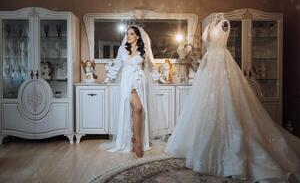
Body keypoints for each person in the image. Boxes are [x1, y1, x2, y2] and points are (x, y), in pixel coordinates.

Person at [165, 13, 300, 182]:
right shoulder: (210, 24)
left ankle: (228, 153)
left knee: (226, 103)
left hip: (221, 63)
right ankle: (204, 147)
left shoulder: (224, 23)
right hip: (208, 67)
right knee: (204, 106)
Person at [102, 26, 167, 157]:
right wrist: (109, 77)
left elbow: (151, 66)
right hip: (127, 81)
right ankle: (137, 141)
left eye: (131, 34)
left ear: (137, 36)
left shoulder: (144, 51)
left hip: (140, 81)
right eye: (127, 34)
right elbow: (117, 65)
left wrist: (160, 78)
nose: (128, 36)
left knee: (138, 110)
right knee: (136, 108)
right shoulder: (122, 50)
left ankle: (136, 140)